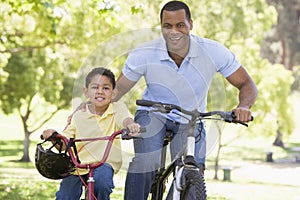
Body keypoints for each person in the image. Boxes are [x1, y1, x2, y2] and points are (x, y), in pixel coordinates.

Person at [112, 1, 258, 199]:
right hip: (153, 112)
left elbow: (247, 84)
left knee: (193, 169)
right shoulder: (144, 53)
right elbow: (116, 92)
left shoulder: (212, 51)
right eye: (167, 26)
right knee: (146, 162)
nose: (174, 32)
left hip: (191, 117)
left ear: (191, 24)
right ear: (161, 27)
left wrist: (244, 106)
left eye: (180, 25)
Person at [42, 67, 141, 200]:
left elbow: (125, 119)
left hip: (104, 164)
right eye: (95, 87)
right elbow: (65, 143)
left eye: (106, 88)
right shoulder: (79, 115)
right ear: (86, 92)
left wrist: (130, 125)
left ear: (113, 93)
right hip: (78, 165)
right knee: (65, 196)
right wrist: (53, 137)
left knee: (101, 183)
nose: (100, 91)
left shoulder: (117, 108)